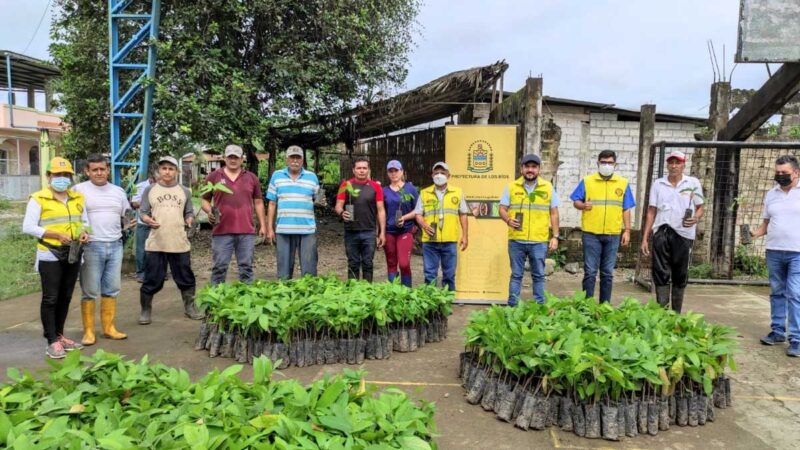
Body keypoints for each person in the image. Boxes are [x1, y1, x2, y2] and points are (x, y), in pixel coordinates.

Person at [21, 157, 89, 359]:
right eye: (57, 175)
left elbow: (84, 221)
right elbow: (28, 227)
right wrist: (55, 235)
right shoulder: (38, 198)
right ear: (48, 176)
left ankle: (60, 336)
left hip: (73, 253)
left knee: (66, 297)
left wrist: (84, 232)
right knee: (51, 298)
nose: (62, 179)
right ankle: (51, 341)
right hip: (50, 253)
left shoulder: (77, 198)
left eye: (66, 175)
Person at [73, 154, 131, 345]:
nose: (99, 172)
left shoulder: (118, 192)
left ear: (108, 170)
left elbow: (126, 215)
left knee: (112, 289)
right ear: (87, 171)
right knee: (89, 290)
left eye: (102, 169)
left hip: (115, 245)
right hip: (91, 246)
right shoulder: (78, 191)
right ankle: (89, 331)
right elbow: (72, 217)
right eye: (94, 169)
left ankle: (108, 328)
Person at [138, 156, 203, 324]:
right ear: (159, 170)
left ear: (177, 171)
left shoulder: (184, 191)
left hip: (179, 243)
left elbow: (189, 212)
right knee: (152, 279)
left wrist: (189, 219)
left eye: (171, 168)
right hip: (156, 243)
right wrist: (147, 219)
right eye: (164, 168)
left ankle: (190, 307)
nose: (167, 171)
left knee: (185, 277)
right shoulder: (150, 190)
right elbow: (143, 211)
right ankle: (145, 310)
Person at [640, 151, 704, 313]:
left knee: (680, 272)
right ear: (667, 165)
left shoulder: (692, 183)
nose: (674, 166)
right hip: (662, 230)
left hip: (683, 233)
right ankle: (662, 312)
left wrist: (695, 218)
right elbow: (651, 211)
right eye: (671, 163)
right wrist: (645, 238)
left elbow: (700, 207)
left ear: (684, 164)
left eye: (677, 162)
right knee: (660, 271)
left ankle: (675, 313)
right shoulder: (659, 184)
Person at [749, 155, 800, 357]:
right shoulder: (771, 194)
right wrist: (753, 234)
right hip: (774, 250)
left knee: (795, 293)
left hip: (797, 252)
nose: (780, 176)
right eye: (777, 173)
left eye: (784, 173)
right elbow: (766, 224)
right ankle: (778, 331)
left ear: (796, 172)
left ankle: (796, 338)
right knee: (777, 292)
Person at [570, 150, 635, 303]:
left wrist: (627, 230)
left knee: (607, 273)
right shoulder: (587, 181)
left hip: (613, 234)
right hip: (591, 233)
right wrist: (583, 205)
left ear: (615, 164)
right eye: (603, 162)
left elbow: (626, 208)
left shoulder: (623, 183)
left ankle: (604, 305)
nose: (606, 165)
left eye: (610, 162)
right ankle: (587, 305)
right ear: (598, 163)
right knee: (590, 272)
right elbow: (575, 201)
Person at [201, 144, 267, 285]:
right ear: (224, 158)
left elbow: (258, 202)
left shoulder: (251, 178)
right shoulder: (213, 177)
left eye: (236, 157)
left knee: (246, 268)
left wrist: (263, 225)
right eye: (230, 157)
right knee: (219, 267)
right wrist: (209, 211)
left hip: (246, 231)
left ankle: (245, 299)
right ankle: (217, 300)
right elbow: (204, 200)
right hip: (221, 230)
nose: (233, 160)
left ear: (242, 159)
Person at [499, 154, 560, 305]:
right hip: (516, 240)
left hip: (538, 240)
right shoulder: (512, 187)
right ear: (522, 169)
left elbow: (554, 213)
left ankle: (539, 307)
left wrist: (555, 236)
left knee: (539, 275)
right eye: (527, 167)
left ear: (539, 169)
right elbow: (502, 209)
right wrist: (507, 219)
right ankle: (512, 307)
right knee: (516, 275)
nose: (530, 170)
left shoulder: (547, 187)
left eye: (534, 167)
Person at [265, 145, 322, 279]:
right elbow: (272, 203)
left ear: (303, 160)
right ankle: (285, 293)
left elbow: (318, 200)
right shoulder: (277, 176)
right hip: (283, 229)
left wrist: (321, 202)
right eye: (292, 157)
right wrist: (270, 229)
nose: (295, 161)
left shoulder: (312, 177)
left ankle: (309, 295)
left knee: (309, 268)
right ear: (286, 159)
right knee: (283, 270)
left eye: (298, 158)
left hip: (307, 229)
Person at [415, 161, 469, 291]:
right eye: (436, 173)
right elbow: (418, 214)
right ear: (432, 175)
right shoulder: (424, 193)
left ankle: (447, 303)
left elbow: (463, 215)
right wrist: (423, 224)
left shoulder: (457, 192)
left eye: (442, 173)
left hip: (449, 240)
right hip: (430, 241)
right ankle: (430, 305)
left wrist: (465, 236)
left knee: (449, 275)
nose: (439, 175)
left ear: (448, 175)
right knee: (429, 275)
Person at [334, 157, 386, 281]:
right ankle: (353, 291)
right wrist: (342, 213)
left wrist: (382, 233)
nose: (362, 171)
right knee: (353, 263)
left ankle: (367, 291)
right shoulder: (345, 185)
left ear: (368, 170)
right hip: (351, 231)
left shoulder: (376, 187)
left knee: (368, 263)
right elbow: (338, 206)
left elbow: (381, 210)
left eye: (364, 168)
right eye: (359, 168)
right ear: (353, 170)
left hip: (369, 231)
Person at [382, 160, 418, 287]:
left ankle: (407, 292)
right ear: (387, 173)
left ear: (402, 171)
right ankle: (394, 292)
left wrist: (405, 217)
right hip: (389, 231)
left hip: (405, 230)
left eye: (396, 170)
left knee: (404, 263)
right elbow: (381, 213)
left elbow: (418, 210)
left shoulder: (411, 189)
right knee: (391, 263)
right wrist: (380, 233)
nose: (393, 174)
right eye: (390, 171)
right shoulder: (384, 191)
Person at [131, 167, 157, 283]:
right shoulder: (140, 186)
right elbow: (134, 203)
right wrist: (147, 200)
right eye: (157, 180)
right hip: (143, 223)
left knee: (158, 248)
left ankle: (157, 272)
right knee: (142, 249)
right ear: (151, 178)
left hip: (159, 223)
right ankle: (141, 273)